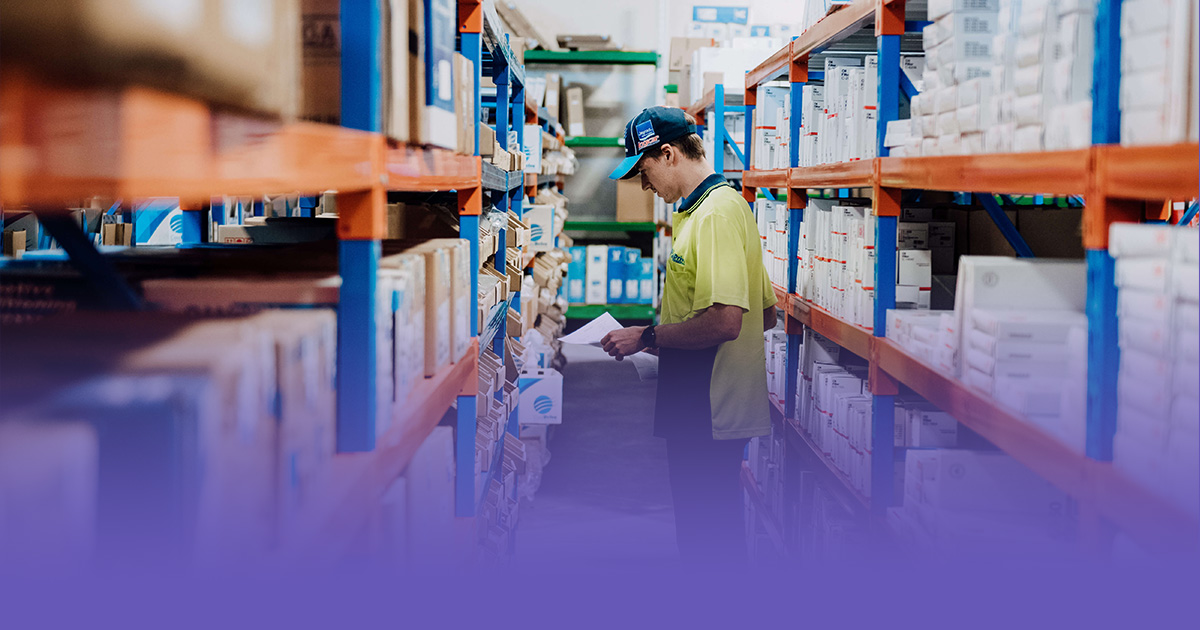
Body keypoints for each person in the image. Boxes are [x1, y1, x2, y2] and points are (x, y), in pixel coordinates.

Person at [600, 106, 776, 564]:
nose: (644, 185)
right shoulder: (702, 209)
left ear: (669, 153)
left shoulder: (716, 214)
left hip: (711, 404)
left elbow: (726, 322)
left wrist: (648, 337)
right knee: (707, 528)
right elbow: (767, 315)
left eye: (644, 171)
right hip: (698, 395)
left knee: (706, 536)